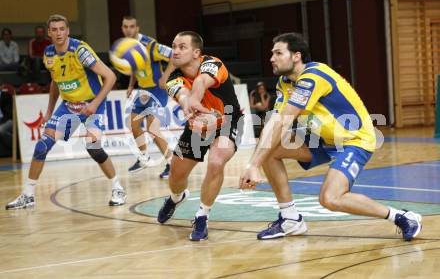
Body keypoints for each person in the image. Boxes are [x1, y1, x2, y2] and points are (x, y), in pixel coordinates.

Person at [239, 32, 422, 241]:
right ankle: (290, 218)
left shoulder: (313, 76)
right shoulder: (284, 83)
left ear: (296, 56)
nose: (272, 58)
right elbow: (275, 122)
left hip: (354, 140)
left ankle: (401, 216)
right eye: (272, 54)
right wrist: (253, 163)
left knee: (330, 198)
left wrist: (254, 165)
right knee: (269, 148)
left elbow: (285, 120)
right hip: (322, 138)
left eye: (278, 53)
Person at [5, 14, 127, 209]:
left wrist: (95, 104)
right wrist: (49, 112)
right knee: (42, 146)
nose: (59, 33)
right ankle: (28, 195)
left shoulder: (80, 50)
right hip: (69, 105)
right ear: (49, 33)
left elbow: (111, 76)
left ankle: (118, 187)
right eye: (54, 29)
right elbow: (55, 83)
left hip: (92, 104)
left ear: (68, 30)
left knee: (93, 147)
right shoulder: (49, 53)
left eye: (62, 29)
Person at [157, 31, 242, 241]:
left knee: (216, 161)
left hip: (227, 121)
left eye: (182, 47)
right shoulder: (173, 79)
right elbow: (182, 94)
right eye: (174, 46)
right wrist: (188, 102)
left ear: (196, 53)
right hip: (198, 125)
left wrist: (195, 98)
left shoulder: (213, 63)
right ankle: (177, 197)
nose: (175, 51)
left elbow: (201, 82)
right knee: (176, 176)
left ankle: (202, 216)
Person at [122, 16, 174, 178]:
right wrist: (131, 85)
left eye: (131, 26)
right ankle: (144, 158)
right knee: (134, 125)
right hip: (143, 91)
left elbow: (174, 56)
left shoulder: (150, 45)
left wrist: (165, 77)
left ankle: (172, 164)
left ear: (137, 28)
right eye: (125, 27)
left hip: (157, 91)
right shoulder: (126, 46)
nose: (128, 29)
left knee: (153, 129)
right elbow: (134, 67)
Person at [0, 89, 13, 157]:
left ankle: (15, 148)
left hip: (8, 120)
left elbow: (9, 114)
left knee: (1, 130)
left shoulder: (6, 96)